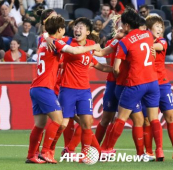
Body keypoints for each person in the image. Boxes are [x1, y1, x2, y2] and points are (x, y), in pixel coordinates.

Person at [26, 16, 101, 164]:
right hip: (45, 87)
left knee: (40, 124)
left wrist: (47, 36)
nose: (65, 33)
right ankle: (46, 152)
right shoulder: (57, 42)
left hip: (35, 87)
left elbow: (46, 36)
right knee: (59, 120)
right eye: (63, 30)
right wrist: (93, 47)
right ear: (60, 30)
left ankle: (31, 155)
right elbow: (73, 50)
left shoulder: (44, 42)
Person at [101, 8, 164, 161]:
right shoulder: (148, 35)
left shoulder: (125, 41)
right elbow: (154, 47)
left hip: (135, 83)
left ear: (127, 25)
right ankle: (158, 152)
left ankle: (106, 149)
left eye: (122, 23)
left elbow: (115, 67)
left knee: (121, 118)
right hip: (153, 83)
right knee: (153, 119)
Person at [58, 18, 112, 162]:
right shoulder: (68, 43)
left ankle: (83, 153)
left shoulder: (90, 47)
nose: (77, 29)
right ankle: (47, 150)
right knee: (62, 123)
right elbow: (50, 37)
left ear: (87, 32)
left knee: (87, 123)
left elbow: (101, 66)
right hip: (68, 88)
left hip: (84, 91)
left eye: (81, 27)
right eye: (76, 27)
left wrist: (118, 70)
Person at [146, 15, 173, 160]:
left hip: (162, 83)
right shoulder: (143, 42)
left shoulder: (162, 41)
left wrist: (147, 45)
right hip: (146, 83)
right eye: (156, 26)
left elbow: (158, 46)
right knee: (148, 120)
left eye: (161, 27)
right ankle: (151, 151)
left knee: (170, 116)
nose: (160, 29)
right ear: (149, 28)